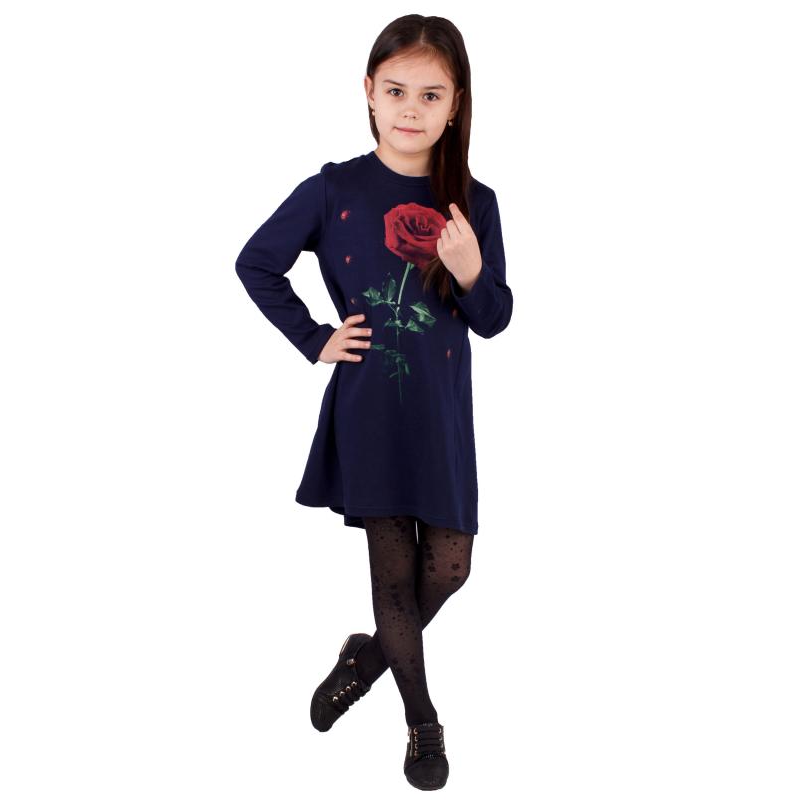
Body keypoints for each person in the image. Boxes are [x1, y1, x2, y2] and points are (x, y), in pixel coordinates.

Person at [235, 14, 512, 791]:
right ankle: (423, 722)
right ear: (368, 91)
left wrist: (469, 270)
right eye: (395, 91)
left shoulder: (474, 202)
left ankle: (365, 659)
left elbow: (494, 318)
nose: (410, 109)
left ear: (456, 104)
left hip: (442, 416)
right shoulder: (335, 189)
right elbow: (256, 263)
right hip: (369, 409)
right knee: (392, 576)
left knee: (449, 567)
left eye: (430, 94)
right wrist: (314, 337)